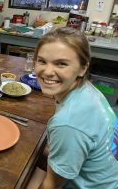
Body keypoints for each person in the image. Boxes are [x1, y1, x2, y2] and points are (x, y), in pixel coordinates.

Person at [34, 27, 118, 189]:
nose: (48, 72)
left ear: (83, 68)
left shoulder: (67, 123)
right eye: (42, 61)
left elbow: (52, 185)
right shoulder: (88, 90)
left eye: (61, 64)